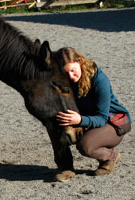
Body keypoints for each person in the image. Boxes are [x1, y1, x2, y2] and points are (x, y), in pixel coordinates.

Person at [55, 47, 132, 176]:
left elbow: (102, 118)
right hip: (87, 118)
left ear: (80, 61)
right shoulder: (63, 80)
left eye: (73, 70)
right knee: (57, 125)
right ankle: (66, 168)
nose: (70, 76)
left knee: (86, 146)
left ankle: (111, 156)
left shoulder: (99, 80)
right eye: (65, 73)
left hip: (113, 122)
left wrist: (80, 120)